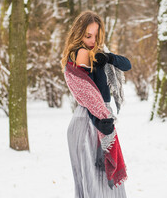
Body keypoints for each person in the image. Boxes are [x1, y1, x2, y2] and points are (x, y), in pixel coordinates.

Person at [61, 10, 131, 198]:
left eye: (96, 35)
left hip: (97, 116)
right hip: (90, 120)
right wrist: (100, 119)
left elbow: (127, 64)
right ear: (78, 34)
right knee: (96, 186)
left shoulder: (98, 53)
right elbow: (87, 94)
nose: (92, 40)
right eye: (88, 35)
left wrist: (109, 57)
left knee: (98, 186)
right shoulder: (81, 53)